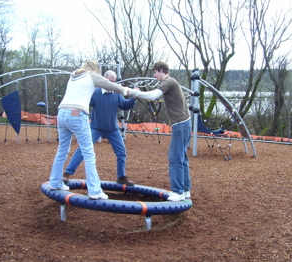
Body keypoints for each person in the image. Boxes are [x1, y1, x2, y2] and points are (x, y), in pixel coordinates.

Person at [48, 61, 130, 200]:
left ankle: (55, 182)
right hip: (77, 114)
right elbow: (110, 85)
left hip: (62, 113)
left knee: (62, 150)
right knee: (88, 153)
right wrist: (125, 90)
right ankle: (94, 190)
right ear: (95, 70)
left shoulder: (74, 76)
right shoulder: (91, 75)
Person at [128, 61, 191, 201]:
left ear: (161, 70)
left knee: (175, 157)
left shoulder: (168, 82)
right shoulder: (171, 82)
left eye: (155, 72)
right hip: (184, 123)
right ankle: (185, 190)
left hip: (181, 124)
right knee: (182, 158)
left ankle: (178, 192)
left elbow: (152, 96)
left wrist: (134, 93)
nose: (154, 75)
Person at [63, 70, 137, 186]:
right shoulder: (95, 92)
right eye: (110, 81)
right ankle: (67, 173)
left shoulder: (116, 94)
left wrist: (133, 98)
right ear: (104, 80)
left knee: (122, 152)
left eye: (114, 82)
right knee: (83, 149)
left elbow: (125, 105)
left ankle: (121, 176)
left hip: (112, 129)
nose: (112, 84)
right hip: (96, 128)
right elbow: (84, 102)